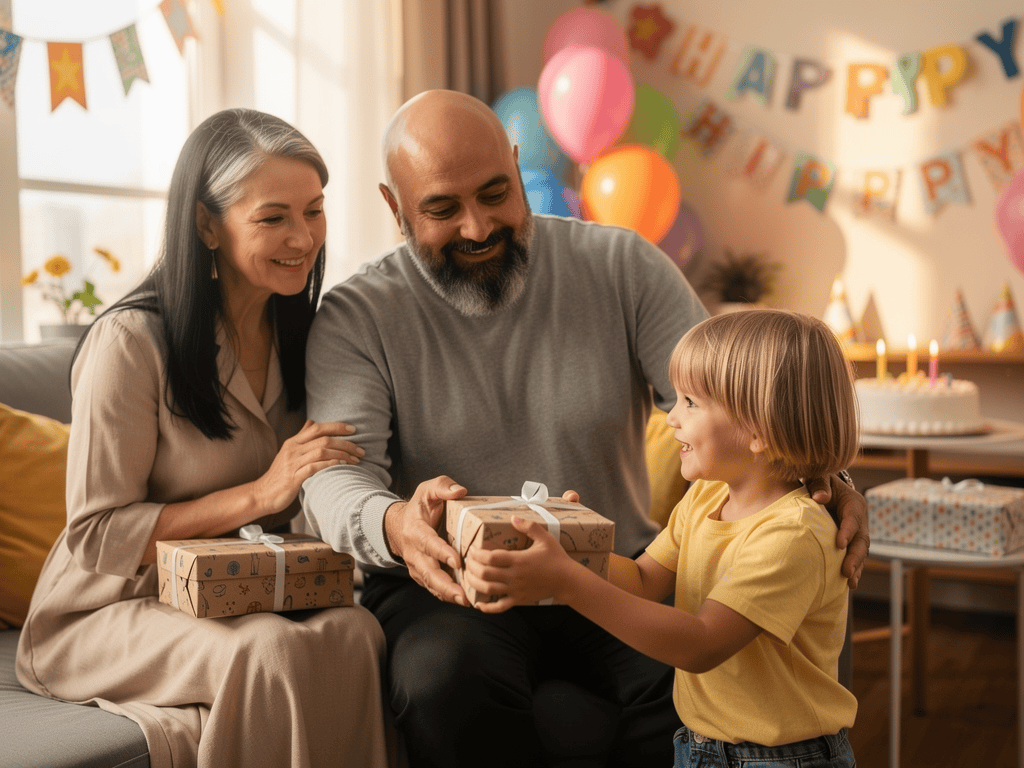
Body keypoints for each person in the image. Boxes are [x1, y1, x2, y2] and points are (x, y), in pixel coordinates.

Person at [300, 90, 869, 768]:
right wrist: (395, 524)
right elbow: (334, 474)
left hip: (616, 564)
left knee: (704, 688)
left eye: (495, 192)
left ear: (517, 166)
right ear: (395, 207)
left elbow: (740, 399)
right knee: (443, 682)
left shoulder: (622, 266)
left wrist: (821, 476)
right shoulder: (356, 314)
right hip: (449, 584)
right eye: (443, 209)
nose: (479, 227)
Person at [16, 108, 390, 768]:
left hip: (240, 590)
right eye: (273, 217)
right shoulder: (131, 344)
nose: (302, 238)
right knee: (266, 653)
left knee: (357, 631)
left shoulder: (310, 337)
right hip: (105, 611)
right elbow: (97, 536)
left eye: (314, 211)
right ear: (205, 223)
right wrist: (261, 493)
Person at [467, 309, 859, 768]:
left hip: (780, 759)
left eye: (690, 402)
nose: (671, 417)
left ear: (759, 430)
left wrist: (567, 582)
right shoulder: (705, 497)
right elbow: (642, 579)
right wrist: (571, 546)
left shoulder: (792, 534)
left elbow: (701, 643)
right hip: (700, 746)